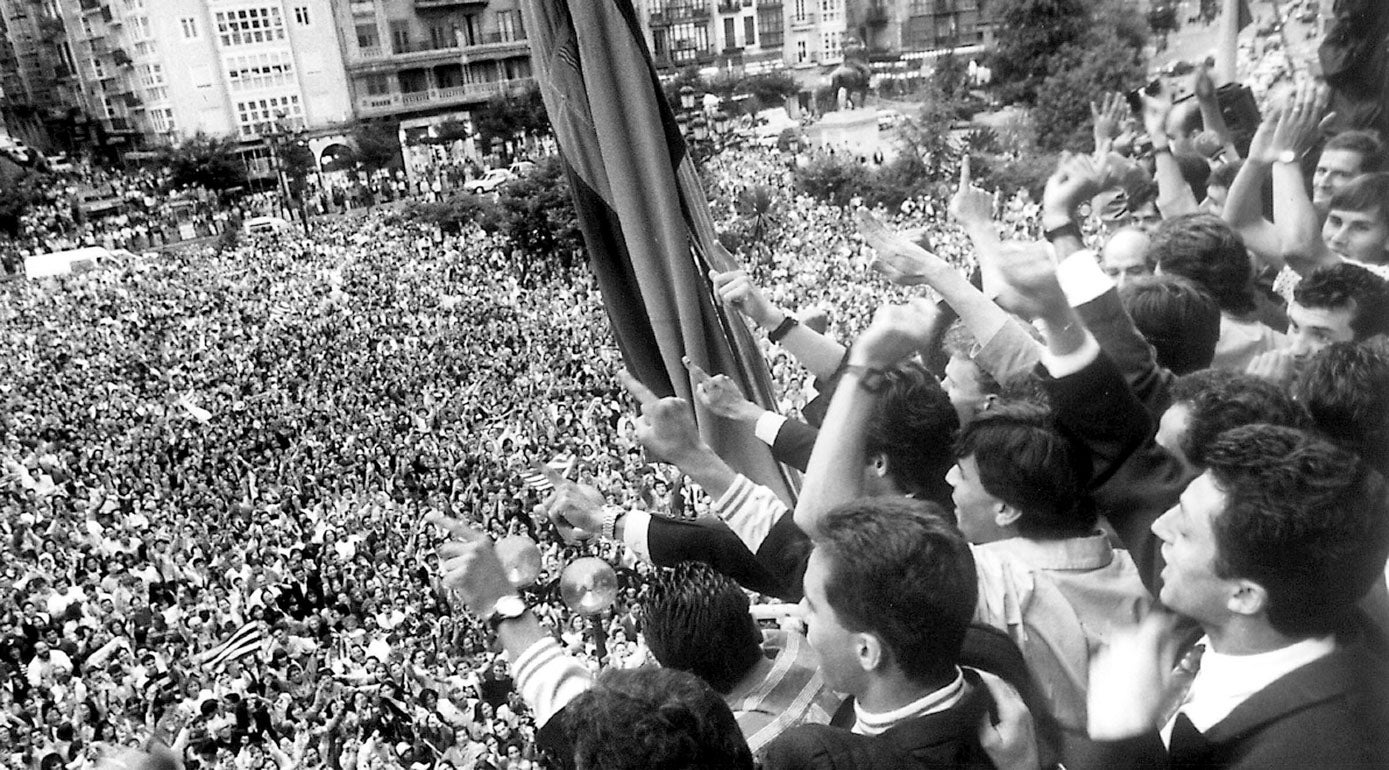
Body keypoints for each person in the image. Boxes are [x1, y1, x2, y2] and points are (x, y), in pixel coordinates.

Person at [1086, 425, 1389, 768]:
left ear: (1245, 595)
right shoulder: (1254, 591)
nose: (1159, 527)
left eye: (1184, 531)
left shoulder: (1309, 753)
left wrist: (1123, 737)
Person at [760, 497, 1022, 770]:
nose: (801, 612)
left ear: (866, 651)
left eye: (813, 608)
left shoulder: (817, 760)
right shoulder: (994, 653)